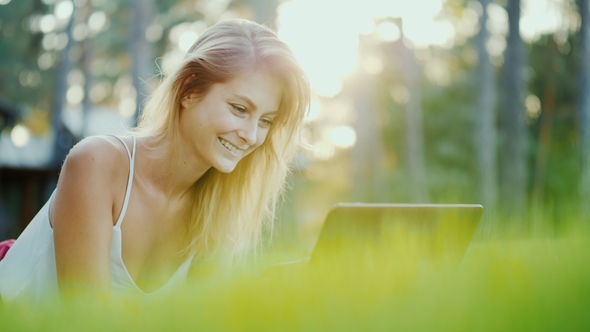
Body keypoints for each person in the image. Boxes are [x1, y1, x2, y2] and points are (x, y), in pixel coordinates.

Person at [0, 18, 310, 305]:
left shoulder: (218, 211)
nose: (251, 135)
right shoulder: (97, 164)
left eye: (266, 121)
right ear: (189, 90)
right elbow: (86, 320)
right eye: (239, 109)